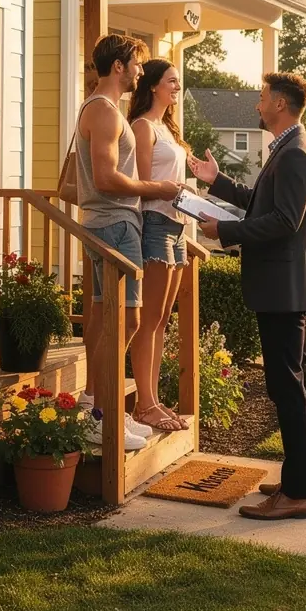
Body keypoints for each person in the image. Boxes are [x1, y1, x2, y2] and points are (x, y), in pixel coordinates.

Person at [189, 71, 306, 521]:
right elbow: (263, 203)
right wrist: (218, 181)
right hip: (287, 284)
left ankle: (296, 494)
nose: (257, 104)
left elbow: (283, 221)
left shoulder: (295, 155)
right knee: (300, 380)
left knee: (287, 386)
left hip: (283, 287)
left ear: (281, 105)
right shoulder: (291, 148)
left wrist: (223, 230)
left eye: (262, 97)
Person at [75, 34, 182, 450]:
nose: (140, 70)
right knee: (130, 321)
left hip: (112, 224)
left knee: (107, 323)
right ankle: (102, 417)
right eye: (136, 64)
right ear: (118, 67)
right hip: (115, 225)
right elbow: (105, 179)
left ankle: (98, 409)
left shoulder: (105, 110)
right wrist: (154, 187)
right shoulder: (104, 113)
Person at [127, 59, 190, 432]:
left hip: (178, 226)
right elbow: (144, 183)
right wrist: (173, 191)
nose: (177, 87)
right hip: (154, 225)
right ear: (153, 86)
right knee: (148, 321)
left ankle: (152, 400)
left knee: (162, 320)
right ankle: (144, 405)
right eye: (171, 81)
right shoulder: (142, 127)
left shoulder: (168, 129)